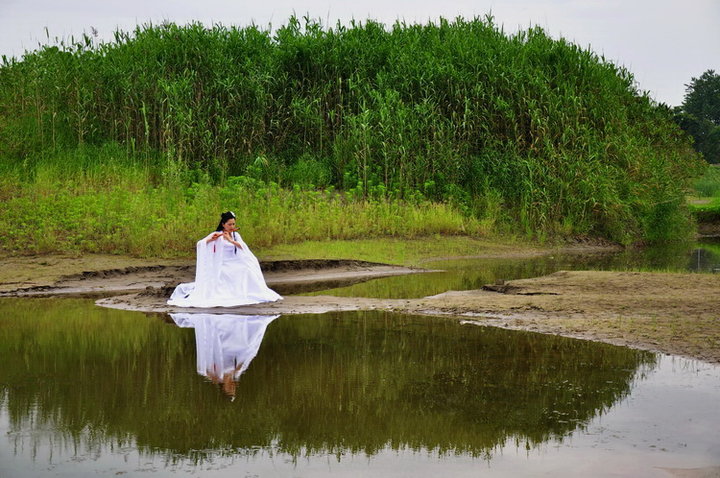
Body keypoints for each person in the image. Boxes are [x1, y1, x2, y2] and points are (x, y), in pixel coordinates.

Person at [168, 211, 282, 307]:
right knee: (225, 272)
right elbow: (200, 244)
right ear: (223, 224)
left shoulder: (236, 236)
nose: (232, 227)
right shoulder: (217, 234)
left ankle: (247, 292)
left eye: (233, 224)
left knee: (247, 269)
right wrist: (210, 240)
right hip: (222, 263)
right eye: (229, 224)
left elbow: (242, 247)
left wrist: (230, 240)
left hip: (234, 261)